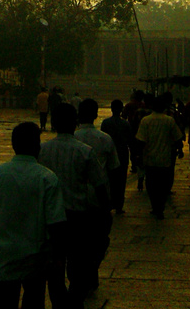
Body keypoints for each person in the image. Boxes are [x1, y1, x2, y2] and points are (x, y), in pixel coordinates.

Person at [0, 121, 66, 309]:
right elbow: (56, 223)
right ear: (37, 146)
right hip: (36, 258)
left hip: (4, 257)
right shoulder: (47, 178)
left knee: (2, 301)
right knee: (33, 301)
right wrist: (57, 257)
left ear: (14, 145)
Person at [39, 102, 109, 307]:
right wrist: (105, 212)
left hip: (52, 218)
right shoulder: (85, 151)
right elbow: (99, 185)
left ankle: (60, 303)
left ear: (54, 122)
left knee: (55, 267)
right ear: (75, 122)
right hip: (78, 216)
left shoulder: (43, 150)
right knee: (79, 266)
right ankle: (75, 301)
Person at [74, 98, 118, 286]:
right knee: (99, 241)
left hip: (74, 201)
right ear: (95, 115)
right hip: (99, 199)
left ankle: (80, 276)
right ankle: (91, 269)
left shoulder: (73, 139)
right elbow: (114, 169)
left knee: (77, 245)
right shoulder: (104, 139)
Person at [134, 93, 183, 218]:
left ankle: (155, 206)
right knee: (163, 185)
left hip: (150, 158)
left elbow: (140, 141)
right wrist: (180, 149)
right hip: (165, 158)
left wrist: (137, 156)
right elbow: (178, 138)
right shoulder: (169, 120)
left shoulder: (146, 120)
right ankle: (160, 207)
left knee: (151, 184)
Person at [100, 99, 132, 213]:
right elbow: (130, 140)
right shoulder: (125, 123)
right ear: (121, 109)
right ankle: (119, 205)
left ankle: (109, 202)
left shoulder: (106, 123)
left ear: (112, 109)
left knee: (109, 179)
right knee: (121, 181)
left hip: (108, 155)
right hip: (122, 154)